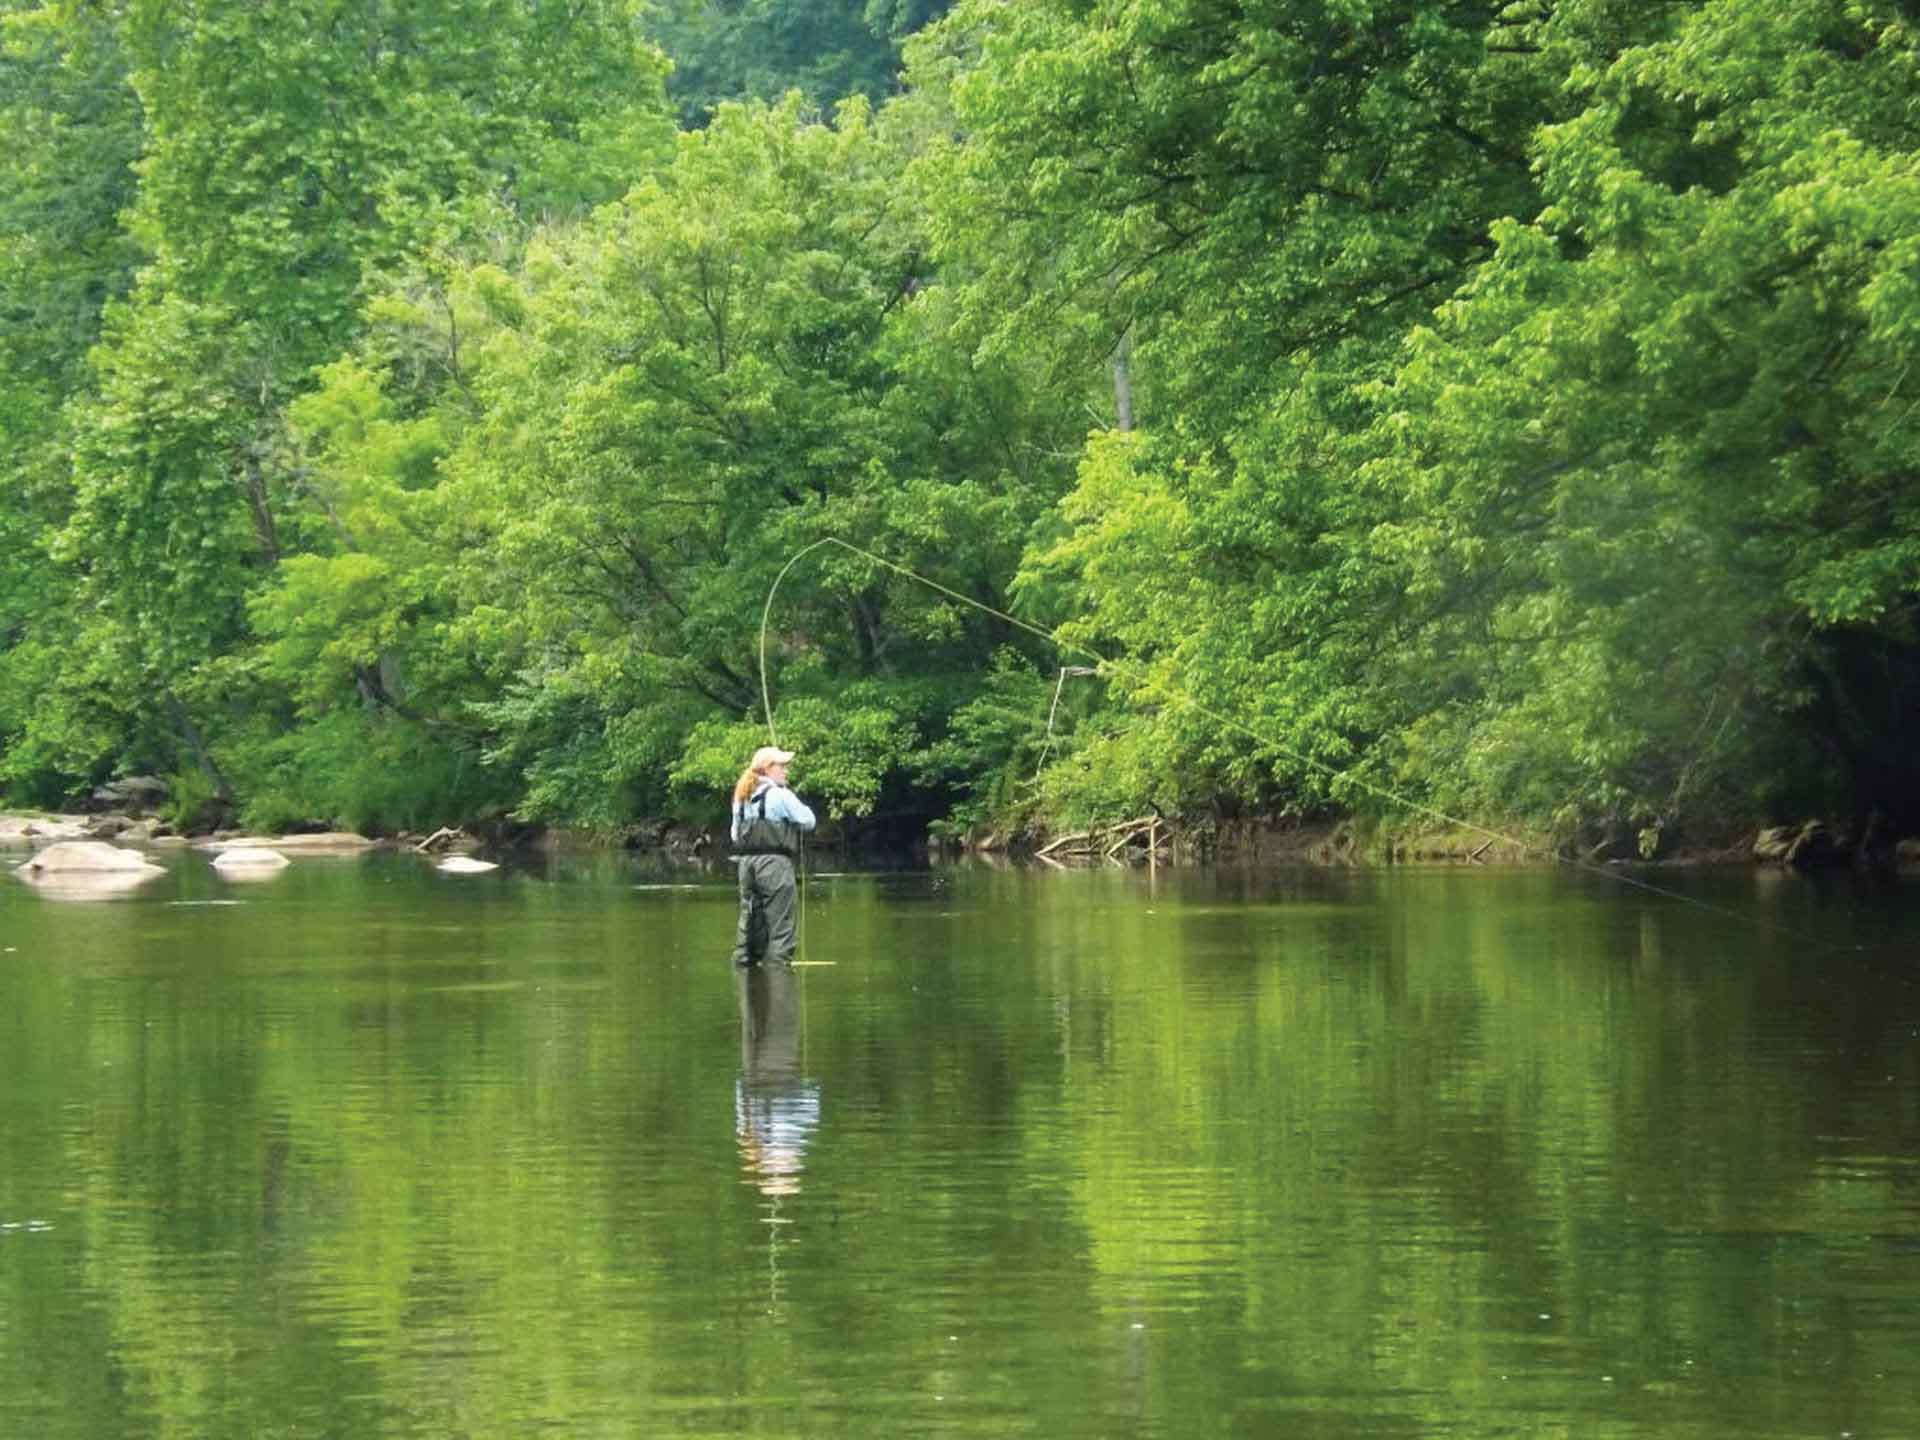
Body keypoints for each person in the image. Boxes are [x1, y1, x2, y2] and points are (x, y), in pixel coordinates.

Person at [729, 744, 816, 967]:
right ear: (767, 769)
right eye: (782, 766)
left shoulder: (741, 797)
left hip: (746, 866)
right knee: (780, 926)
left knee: (750, 923)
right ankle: (778, 978)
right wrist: (790, 798)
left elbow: (734, 834)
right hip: (775, 864)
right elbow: (809, 821)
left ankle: (746, 979)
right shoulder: (780, 795)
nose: (786, 771)